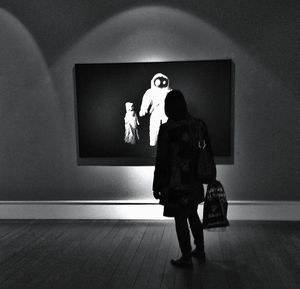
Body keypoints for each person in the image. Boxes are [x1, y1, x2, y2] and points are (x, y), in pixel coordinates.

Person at [153, 89, 212, 268]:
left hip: (176, 181)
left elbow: (162, 160)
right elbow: (207, 152)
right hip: (194, 179)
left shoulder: (168, 129)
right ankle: (199, 249)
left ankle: (186, 257)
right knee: (193, 213)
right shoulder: (198, 125)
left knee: (180, 218)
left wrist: (157, 184)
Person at [139, 73, 172, 146]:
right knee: (154, 127)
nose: (161, 84)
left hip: (166, 112)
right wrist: (143, 109)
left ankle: (167, 143)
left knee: (167, 127)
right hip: (156, 111)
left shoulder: (169, 92)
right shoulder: (150, 91)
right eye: (158, 81)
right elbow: (146, 100)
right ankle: (153, 142)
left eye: (163, 81)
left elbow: (174, 101)